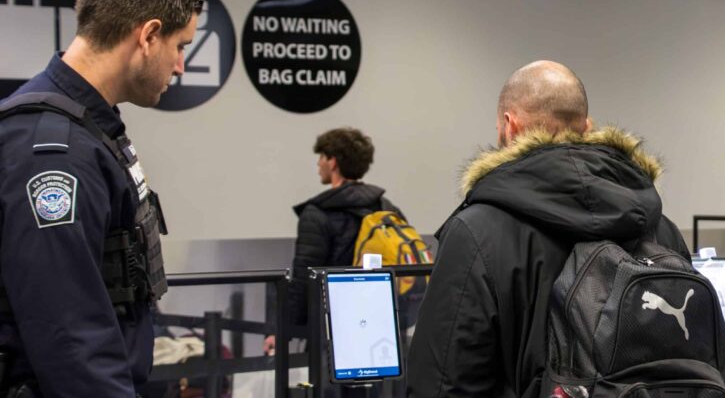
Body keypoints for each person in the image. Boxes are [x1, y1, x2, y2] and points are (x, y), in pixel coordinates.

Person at [406, 60, 690, 397]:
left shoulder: (475, 233)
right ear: (587, 127)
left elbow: (442, 383)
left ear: (509, 126)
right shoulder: (660, 229)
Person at [0, 0, 202, 396]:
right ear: (148, 36)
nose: (180, 66)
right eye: (180, 46)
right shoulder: (55, 154)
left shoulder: (88, 128)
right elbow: (70, 339)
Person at [263, 128, 403, 353]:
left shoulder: (317, 213)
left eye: (322, 156)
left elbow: (304, 278)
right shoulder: (385, 207)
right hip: (378, 322)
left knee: (325, 376)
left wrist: (285, 329)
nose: (318, 163)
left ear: (333, 162)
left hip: (332, 328)